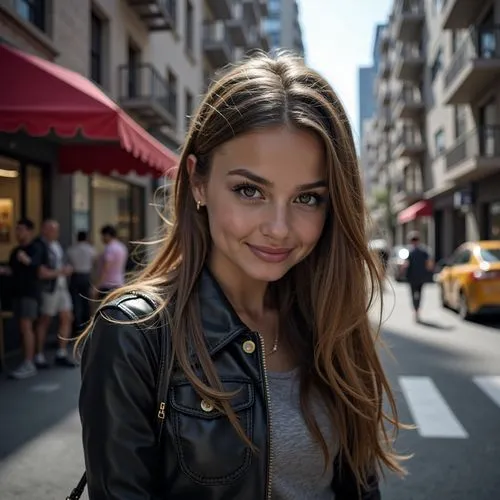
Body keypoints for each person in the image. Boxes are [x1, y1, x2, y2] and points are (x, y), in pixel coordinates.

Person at [77, 53, 406, 499]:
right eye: (249, 190)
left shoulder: (330, 316)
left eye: (308, 198)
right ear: (197, 182)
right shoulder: (135, 332)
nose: (278, 228)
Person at [0, 219, 43, 379]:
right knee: (21, 327)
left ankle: (29, 362)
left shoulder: (35, 248)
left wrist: (27, 260)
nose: (18, 233)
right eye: (17, 229)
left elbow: (37, 267)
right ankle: (26, 360)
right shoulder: (15, 250)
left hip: (29, 293)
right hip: (16, 293)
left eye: (21, 230)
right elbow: (12, 270)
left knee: (27, 326)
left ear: (30, 231)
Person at [35, 219, 76, 367]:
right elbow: (41, 272)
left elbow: (60, 264)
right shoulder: (39, 246)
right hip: (49, 288)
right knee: (45, 319)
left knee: (67, 317)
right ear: (44, 230)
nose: (56, 233)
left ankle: (61, 353)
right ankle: (38, 355)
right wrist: (61, 272)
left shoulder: (57, 245)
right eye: (53, 230)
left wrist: (66, 269)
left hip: (61, 287)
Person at [67, 231, 96, 332]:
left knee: (75, 302)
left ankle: (76, 326)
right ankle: (86, 325)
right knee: (86, 302)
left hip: (75, 276)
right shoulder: (90, 249)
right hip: (86, 276)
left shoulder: (71, 249)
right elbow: (94, 262)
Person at [403, 231, 433, 323]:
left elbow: (405, 264)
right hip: (420, 277)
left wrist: (403, 271)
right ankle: (417, 311)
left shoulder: (409, 251)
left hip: (412, 277)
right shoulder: (424, 251)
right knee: (419, 294)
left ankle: (416, 312)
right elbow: (429, 264)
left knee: (413, 294)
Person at [92, 224, 128, 300]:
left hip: (107, 285)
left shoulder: (110, 248)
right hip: (119, 282)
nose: (102, 239)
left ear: (108, 235)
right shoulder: (122, 247)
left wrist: (97, 286)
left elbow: (106, 268)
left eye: (103, 236)